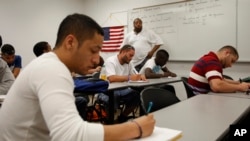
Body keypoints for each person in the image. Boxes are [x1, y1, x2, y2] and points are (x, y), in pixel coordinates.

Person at [0, 13, 155, 141]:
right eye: (93, 50)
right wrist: (136, 127)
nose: (96, 59)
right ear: (70, 42)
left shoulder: (51, 66)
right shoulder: (51, 68)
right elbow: (71, 134)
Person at [33, 41, 89, 120]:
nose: (52, 51)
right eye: (50, 48)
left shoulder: (37, 65)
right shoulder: (48, 65)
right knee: (82, 100)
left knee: (84, 97)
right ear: (45, 51)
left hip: (48, 99)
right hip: (52, 100)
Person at [104, 44, 146, 123]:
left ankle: (122, 117)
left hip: (122, 89)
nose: (131, 58)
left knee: (136, 96)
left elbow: (135, 75)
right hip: (108, 89)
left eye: (132, 56)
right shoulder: (111, 61)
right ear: (123, 52)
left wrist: (140, 76)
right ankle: (111, 119)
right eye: (130, 55)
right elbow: (111, 78)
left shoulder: (129, 63)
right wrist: (129, 77)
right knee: (114, 95)